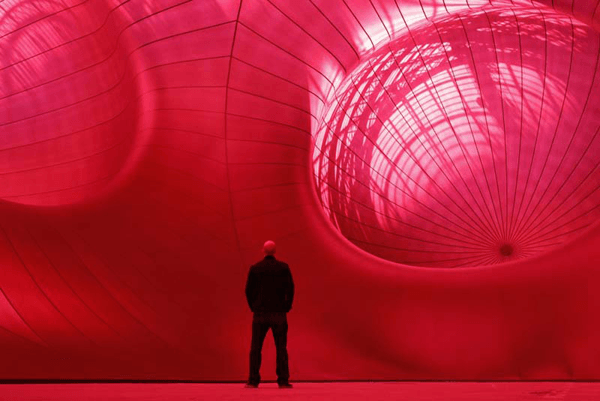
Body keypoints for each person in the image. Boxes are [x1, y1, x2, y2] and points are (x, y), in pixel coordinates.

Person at [245, 240, 294, 389]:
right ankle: (283, 380)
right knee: (281, 348)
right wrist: (286, 306)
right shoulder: (283, 268)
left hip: (260, 313)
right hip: (278, 313)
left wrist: (254, 307)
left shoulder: (255, 268)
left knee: (256, 347)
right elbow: (290, 289)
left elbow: (248, 290)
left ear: (263, 251)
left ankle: (253, 380)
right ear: (275, 251)